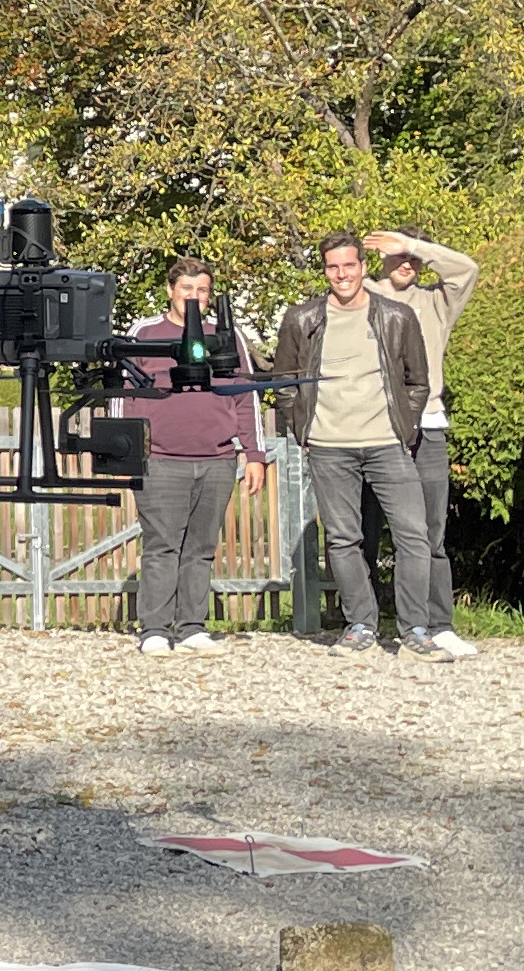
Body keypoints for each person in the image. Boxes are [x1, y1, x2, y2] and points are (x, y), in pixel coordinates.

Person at [271, 232, 449, 659]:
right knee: (343, 539)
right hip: (329, 446)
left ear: (363, 267)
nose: (342, 274)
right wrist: (304, 431)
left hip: (388, 444)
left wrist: (404, 430)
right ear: (325, 271)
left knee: (414, 536)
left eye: (349, 265)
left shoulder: (397, 316)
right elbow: (285, 383)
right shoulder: (301, 319)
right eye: (333, 267)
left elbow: (417, 382)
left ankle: (415, 629)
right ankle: (360, 626)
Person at [123, 258, 267, 655]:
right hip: (160, 458)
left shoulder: (226, 336)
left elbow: (245, 396)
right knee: (161, 546)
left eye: (201, 290)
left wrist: (254, 454)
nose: (194, 297)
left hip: (217, 458)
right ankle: (155, 629)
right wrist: (127, 454)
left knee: (201, 548)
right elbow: (124, 395)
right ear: (171, 290)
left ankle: (191, 627)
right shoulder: (144, 334)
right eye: (187, 289)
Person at [364, 228, 481, 659]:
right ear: (381, 259)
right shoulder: (364, 296)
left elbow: (466, 269)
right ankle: (363, 622)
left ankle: (438, 624)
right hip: (371, 428)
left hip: (427, 425)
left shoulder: (436, 303)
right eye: (396, 257)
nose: (406, 265)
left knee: (431, 532)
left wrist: (413, 246)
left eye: (412, 259)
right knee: (364, 531)